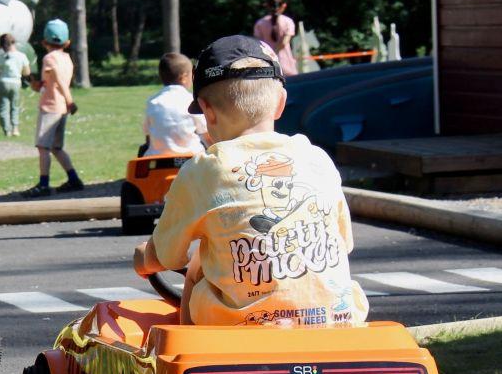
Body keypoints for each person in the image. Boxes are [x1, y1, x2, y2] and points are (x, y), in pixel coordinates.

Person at [134, 35, 367, 328]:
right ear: (280, 103)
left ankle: (184, 357)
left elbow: (166, 256)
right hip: (337, 322)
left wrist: (144, 258)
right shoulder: (316, 159)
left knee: (197, 268)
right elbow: (343, 243)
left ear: (207, 110)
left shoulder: (205, 170)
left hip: (240, 331)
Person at [27, 18, 84, 195]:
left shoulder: (49, 58)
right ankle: (74, 179)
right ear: (67, 42)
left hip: (51, 107)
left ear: (44, 42)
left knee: (43, 146)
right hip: (61, 109)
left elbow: (58, 80)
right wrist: (35, 84)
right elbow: (51, 83)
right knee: (56, 147)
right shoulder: (67, 58)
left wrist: (70, 100)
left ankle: (44, 184)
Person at [142, 51, 207, 156]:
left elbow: (148, 134)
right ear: (184, 77)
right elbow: (205, 133)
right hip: (190, 160)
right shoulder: (190, 100)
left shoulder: (152, 101)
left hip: (158, 162)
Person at [0, 32, 31, 137]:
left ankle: (6, 130)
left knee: (2, 107)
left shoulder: (2, 56)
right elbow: (27, 72)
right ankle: (15, 128)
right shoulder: (22, 56)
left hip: (3, 82)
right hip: (16, 83)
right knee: (15, 106)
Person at [253, 0, 298, 77]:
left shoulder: (260, 24)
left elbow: (257, 44)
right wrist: (276, 52)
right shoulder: (288, 22)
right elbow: (284, 43)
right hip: (286, 65)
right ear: (284, 5)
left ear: (267, 6)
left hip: (267, 66)